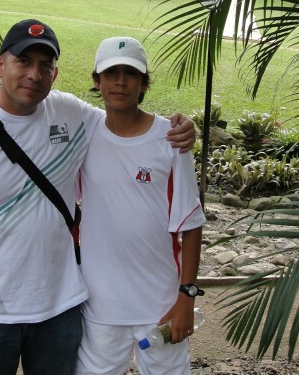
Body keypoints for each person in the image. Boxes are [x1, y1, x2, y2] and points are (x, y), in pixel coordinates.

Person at [0, 20, 195, 375]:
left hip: (60, 310)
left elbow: (126, 124)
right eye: (23, 62)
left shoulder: (72, 114)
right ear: (0, 65)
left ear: (55, 73)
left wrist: (179, 130)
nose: (34, 74)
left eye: (44, 66)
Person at [76, 37, 206, 375]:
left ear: (144, 82)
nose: (120, 82)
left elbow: (190, 225)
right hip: (100, 305)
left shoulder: (171, 139)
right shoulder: (84, 132)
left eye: (131, 74)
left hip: (160, 304)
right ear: (96, 81)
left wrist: (186, 298)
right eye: (111, 73)